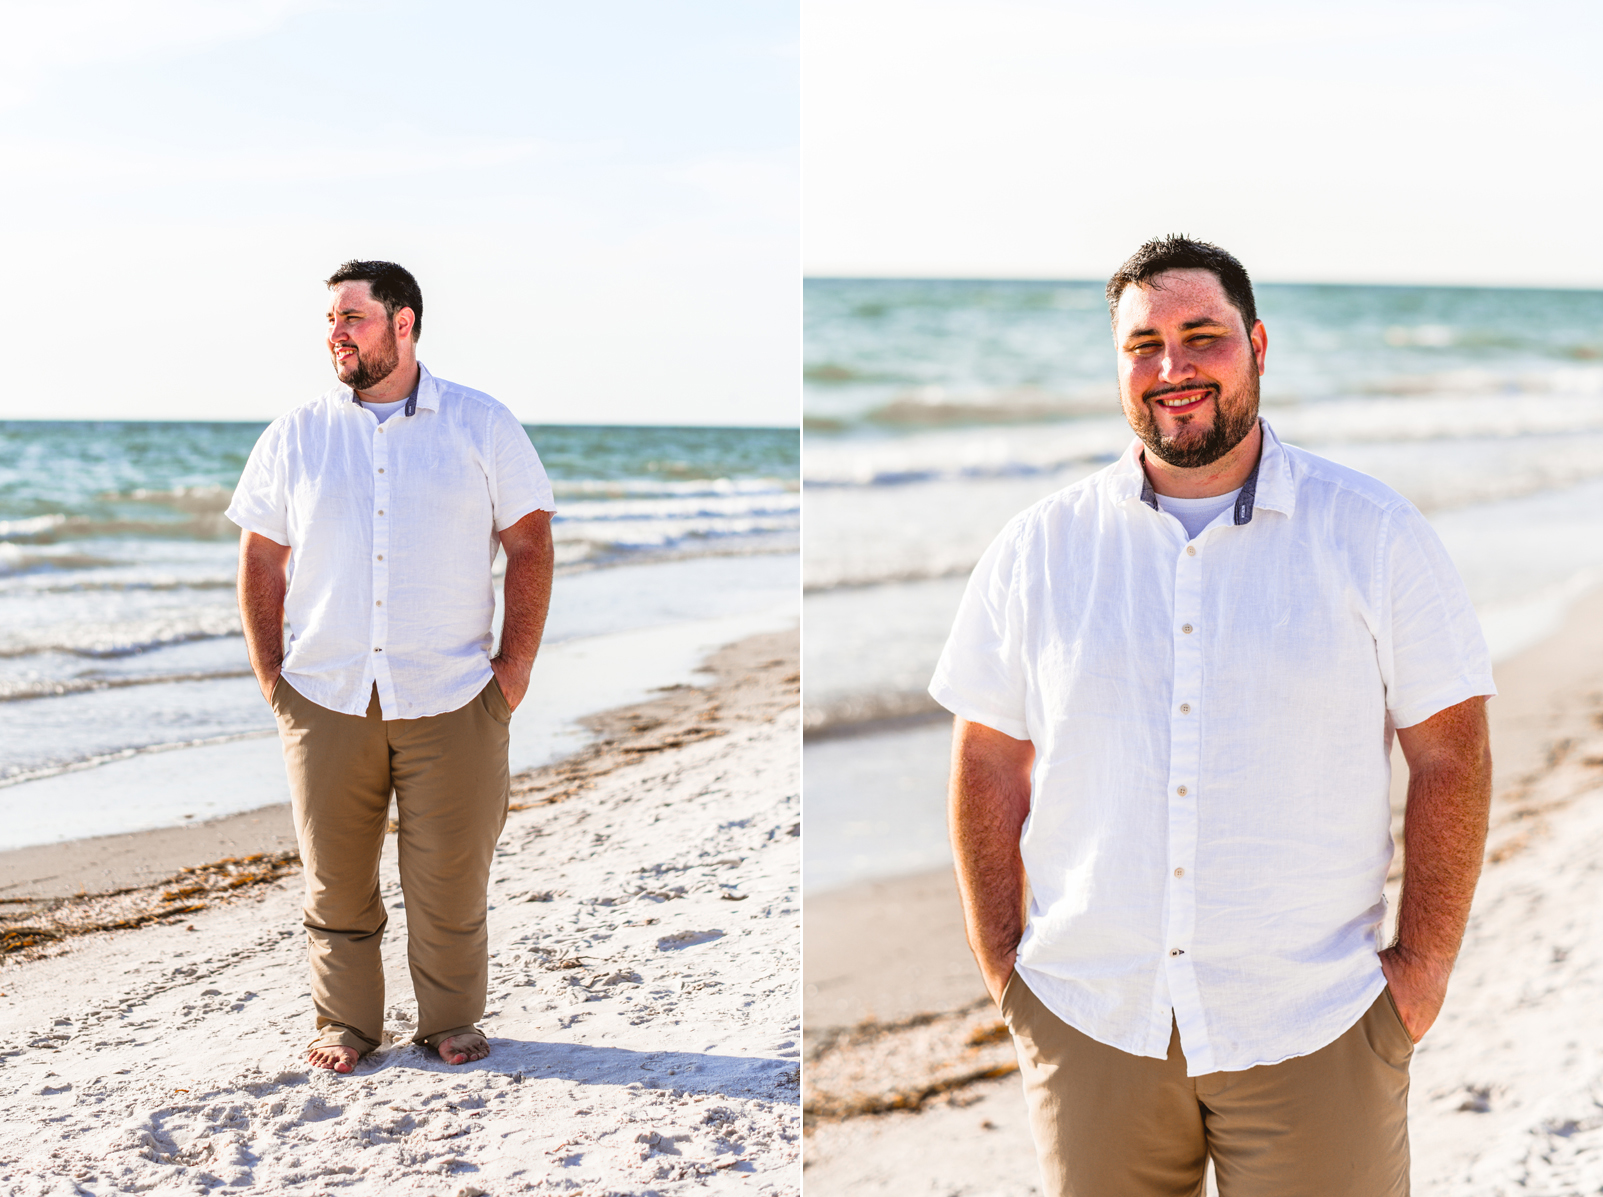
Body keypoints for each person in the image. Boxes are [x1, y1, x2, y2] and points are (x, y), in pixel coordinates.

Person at [930, 235, 1495, 1195]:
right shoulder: (1038, 549)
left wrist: (1421, 968)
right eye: (1142, 344)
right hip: (1091, 1016)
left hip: (1313, 1018)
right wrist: (1005, 971)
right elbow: (987, 759)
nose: (1171, 368)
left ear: (1258, 345)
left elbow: (1451, 753)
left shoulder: (1374, 533)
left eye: (1201, 336)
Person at [228, 260, 555, 1074]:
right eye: (332, 321)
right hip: (325, 692)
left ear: (402, 322)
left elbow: (530, 542)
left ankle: (449, 1020)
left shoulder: (481, 424)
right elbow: (261, 557)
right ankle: (346, 1024)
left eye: (352, 318)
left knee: (449, 878)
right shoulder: (296, 432)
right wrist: (274, 675)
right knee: (335, 885)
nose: (336, 333)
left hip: (453, 693)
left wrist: (511, 670)